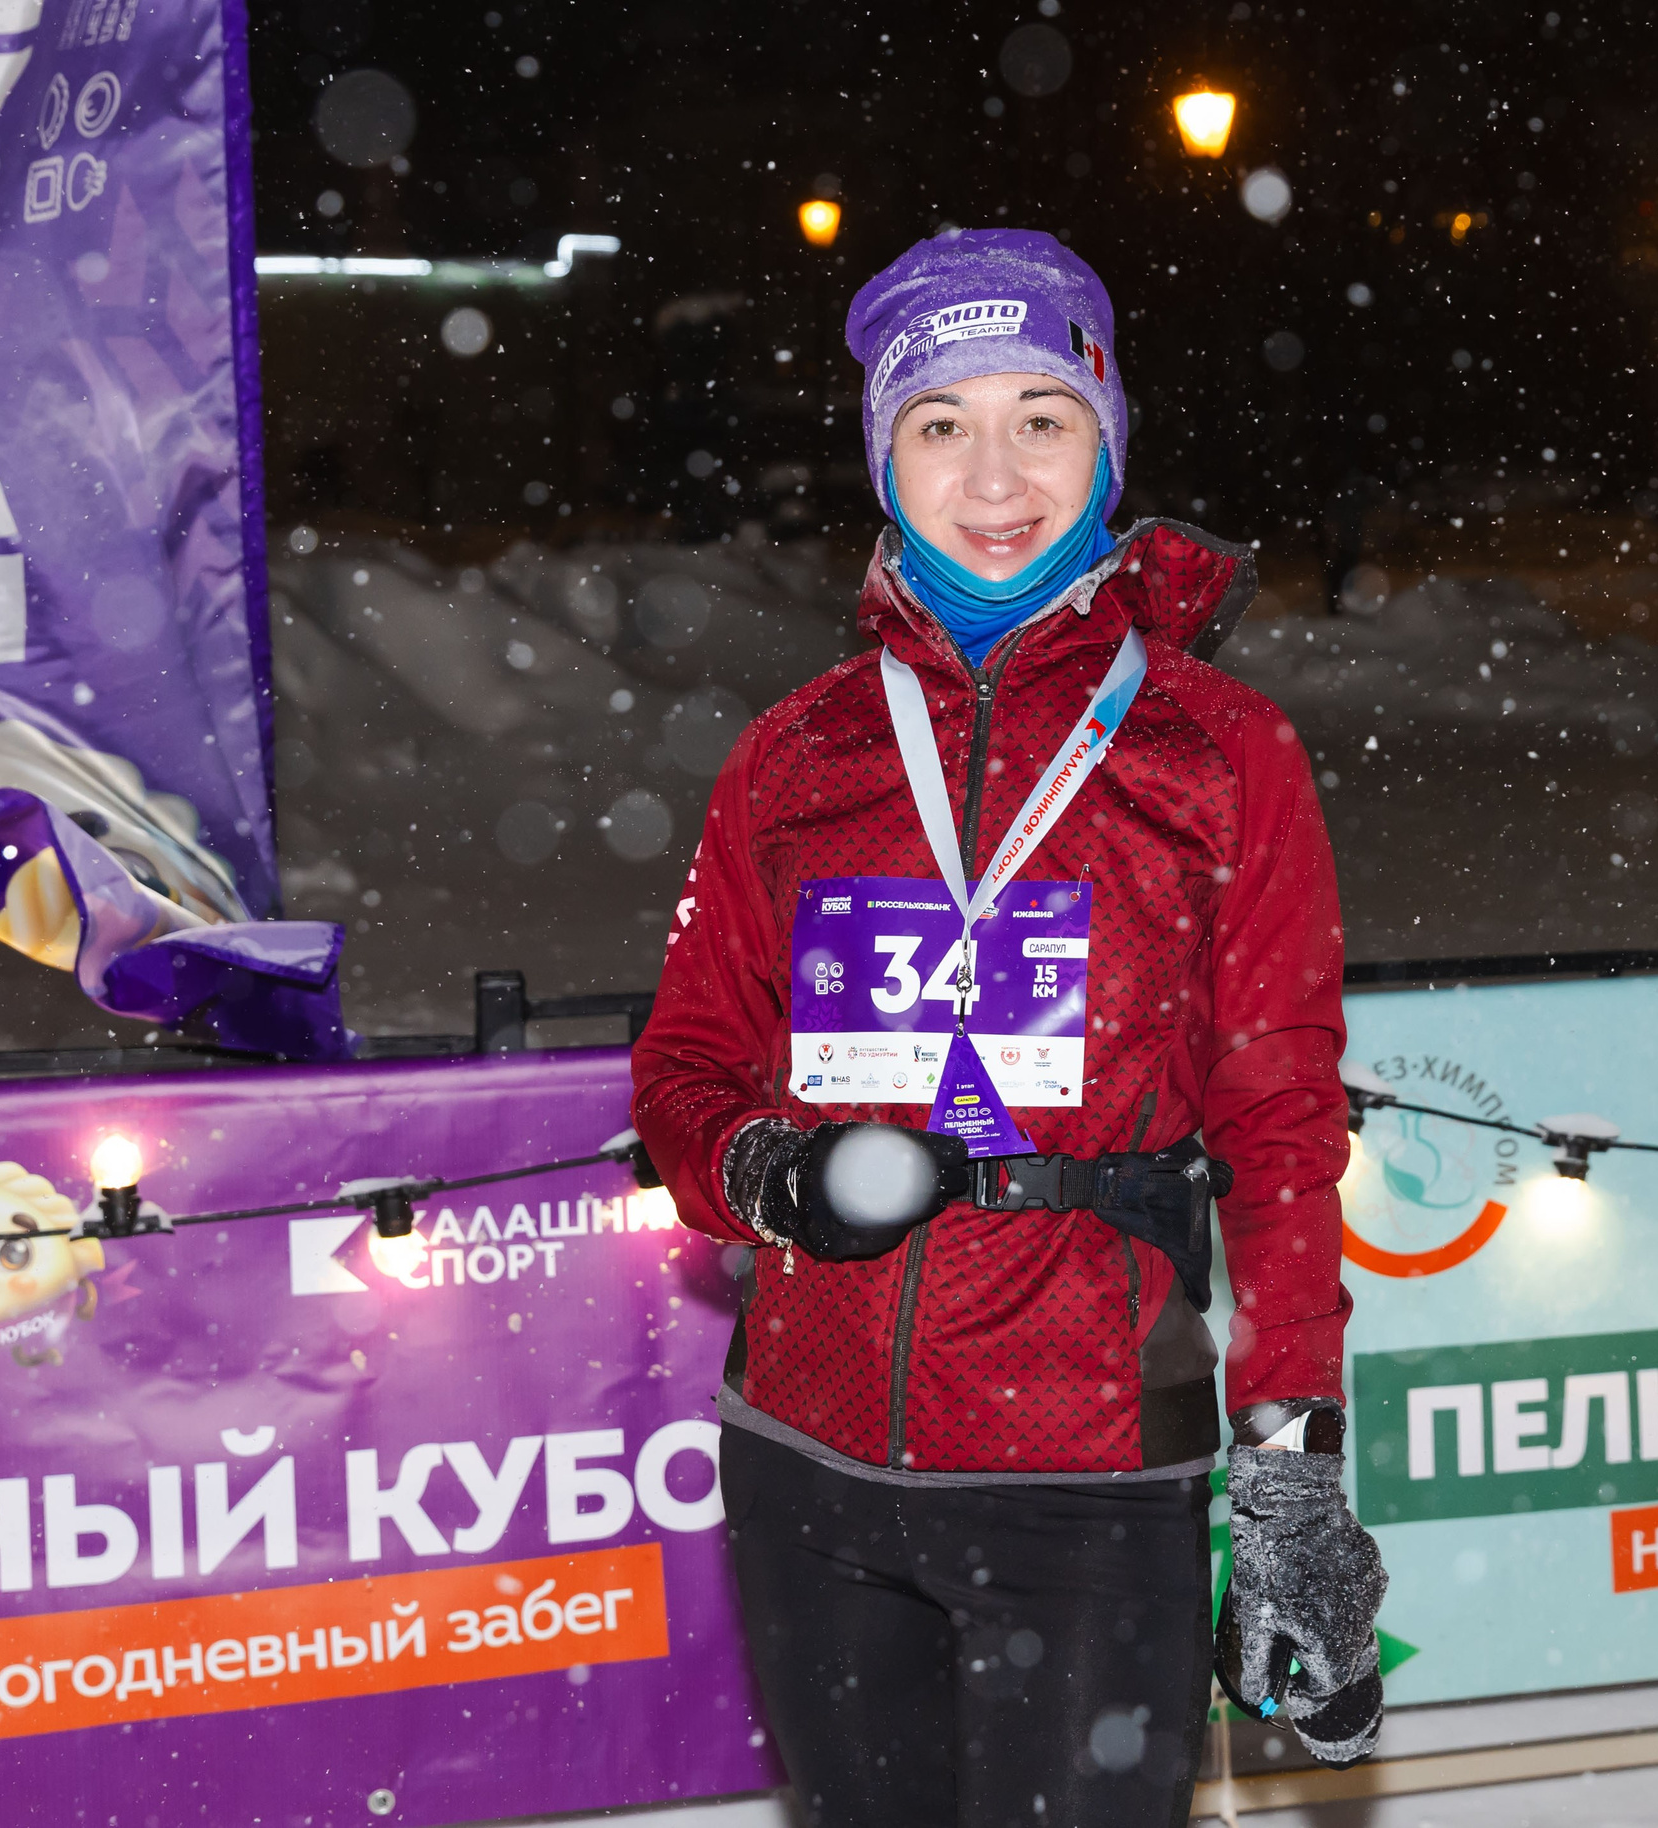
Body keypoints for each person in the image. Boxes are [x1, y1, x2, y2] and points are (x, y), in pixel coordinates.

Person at [631, 228, 1386, 1828]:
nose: (993, 478)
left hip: (1088, 1483)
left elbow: (1280, 1132)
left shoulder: (1219, 754)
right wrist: (772, 1173)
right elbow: (684, 1075)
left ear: (1106, 441)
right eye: (941, 424)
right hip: (808, 1469)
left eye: (1041, 417)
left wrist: (1292, 1474)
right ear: (884, 460)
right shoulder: (796, 756)